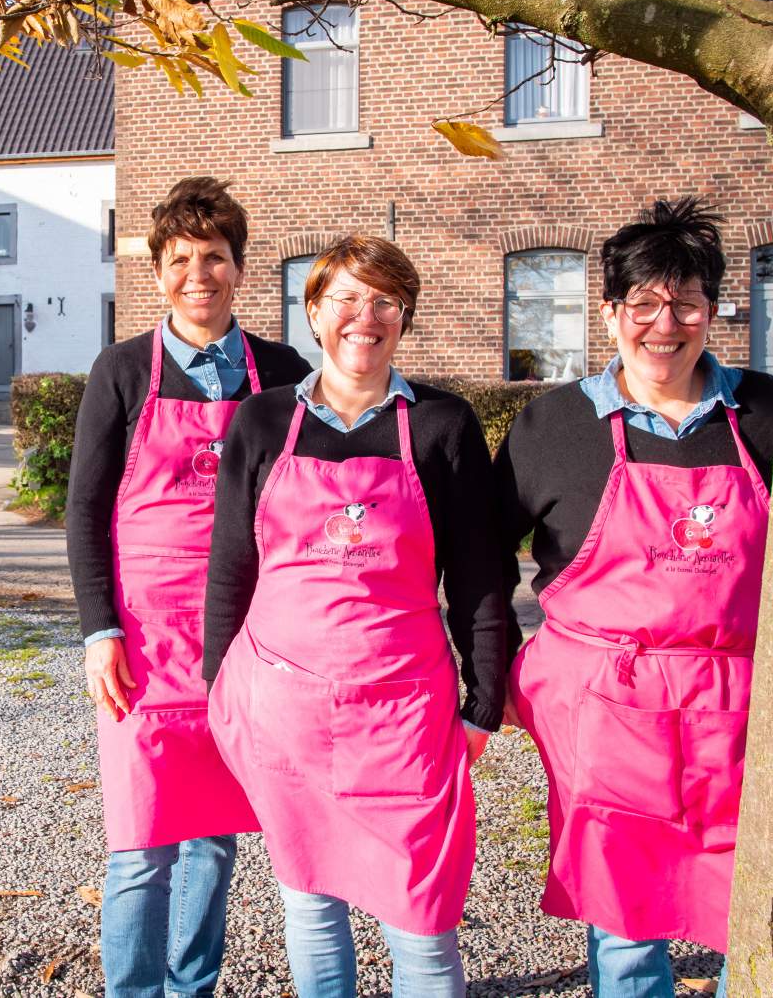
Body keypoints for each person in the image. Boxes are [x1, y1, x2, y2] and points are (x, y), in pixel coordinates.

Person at [204, 234, 512, 998]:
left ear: (404, 316)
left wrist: (484, 698)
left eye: (384, 300)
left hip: (405, 715)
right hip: (285, 710)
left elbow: (480, 575)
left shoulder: (443, 425)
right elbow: (230, 568)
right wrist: (219, 686)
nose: (363, 316)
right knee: (310, 905)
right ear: (314, 310)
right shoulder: (263, 422)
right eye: (345, 297)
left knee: (423, 921)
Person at [496, 198, 773, 998]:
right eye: (645, 304)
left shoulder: (770, 414)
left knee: (748, 906)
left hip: (743, 708)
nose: (666, 324)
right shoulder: (553, 426)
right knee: (626, 921)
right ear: (611, 311)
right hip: (605, 712)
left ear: (714, 308)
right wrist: (496, 673)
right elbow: (479, 560)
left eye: (686, 301)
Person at [66, 177, 312, 998]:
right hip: (145, 640)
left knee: (214, 837)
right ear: (158, 271)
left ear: (240, 269)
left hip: (247, 633)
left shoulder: (280, 372)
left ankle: (192, 986)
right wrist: (99, 629)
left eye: (214, 257)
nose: (197, 274)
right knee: (140, 845)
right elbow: (85, 512)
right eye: (179, 259)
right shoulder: (122, 369)